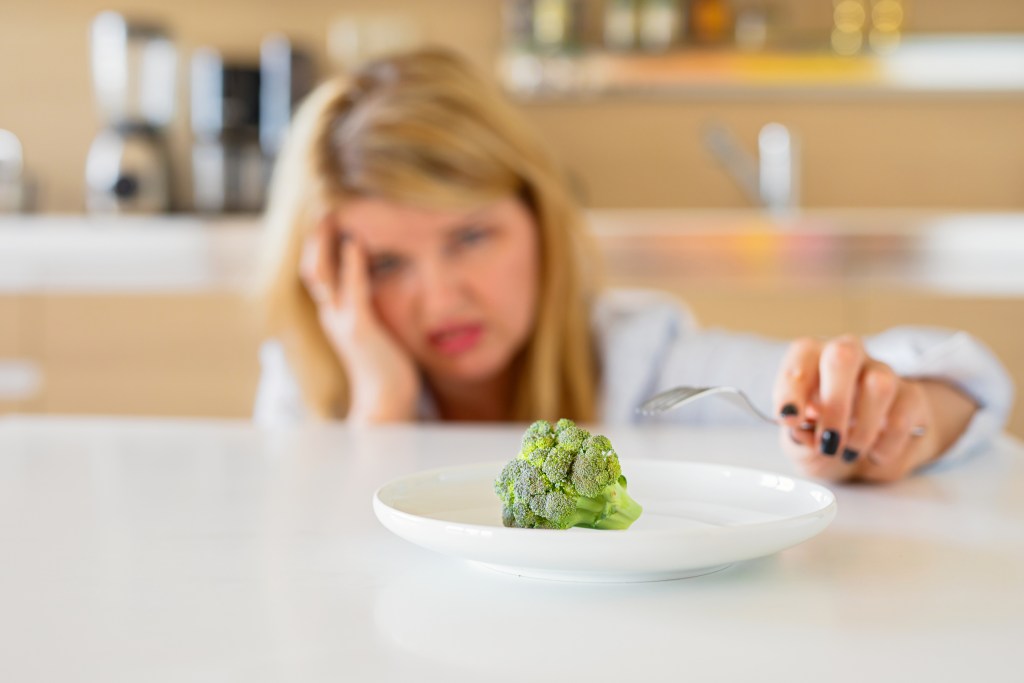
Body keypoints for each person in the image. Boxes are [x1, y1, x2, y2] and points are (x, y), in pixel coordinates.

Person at [255, 48, 1013, 484]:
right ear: (329, 276)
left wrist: (894, 406)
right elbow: (326, 563)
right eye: (387, 263)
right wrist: (381, 398)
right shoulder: (307, 389)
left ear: (539, 220)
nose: (441, 297)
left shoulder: (639, 356)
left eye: (470, 238)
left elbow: (956, 393)